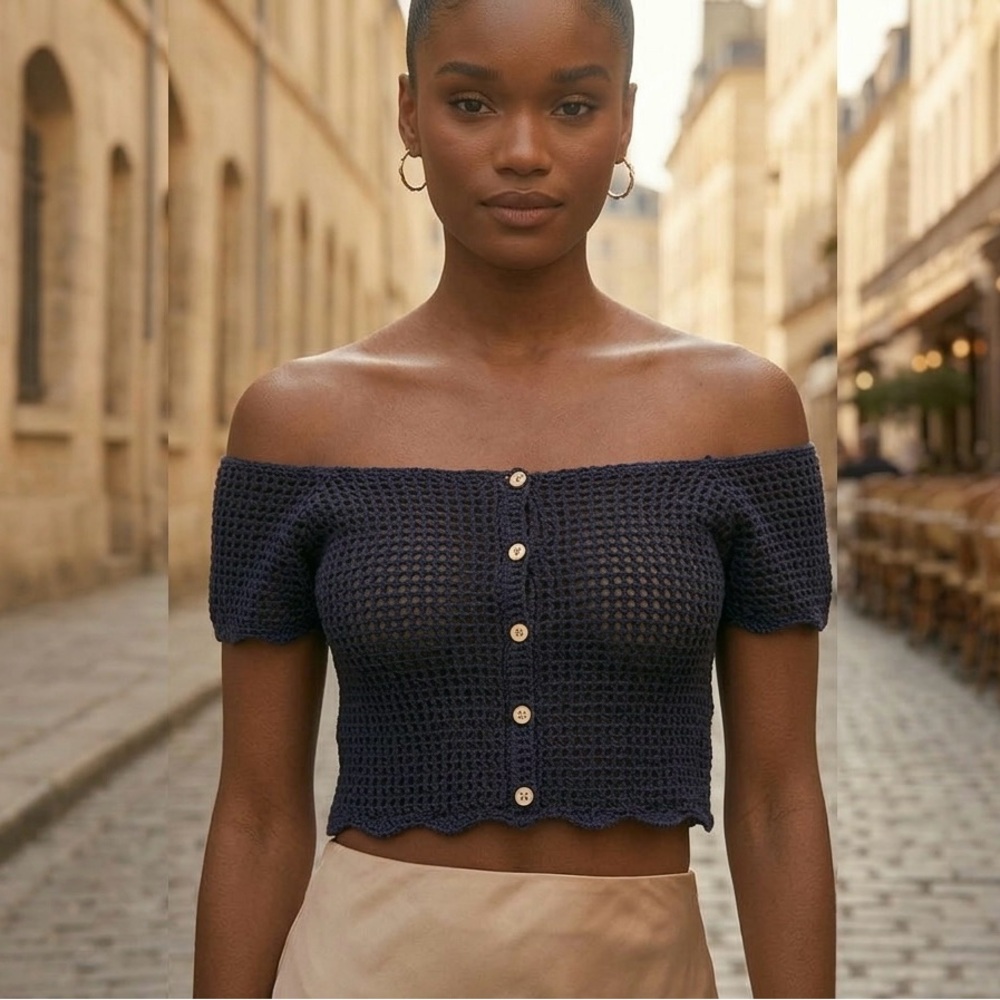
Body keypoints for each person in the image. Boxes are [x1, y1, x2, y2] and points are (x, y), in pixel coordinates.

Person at [193, 0, 835, 996]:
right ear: (410, 115)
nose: (524, 150)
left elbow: (778, 800)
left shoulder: (740, 414)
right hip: (363, 966)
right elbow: (257, 813)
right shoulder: (297, 423)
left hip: (640, 973)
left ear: (623, 119)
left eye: (572, 106)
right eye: (472, 102)